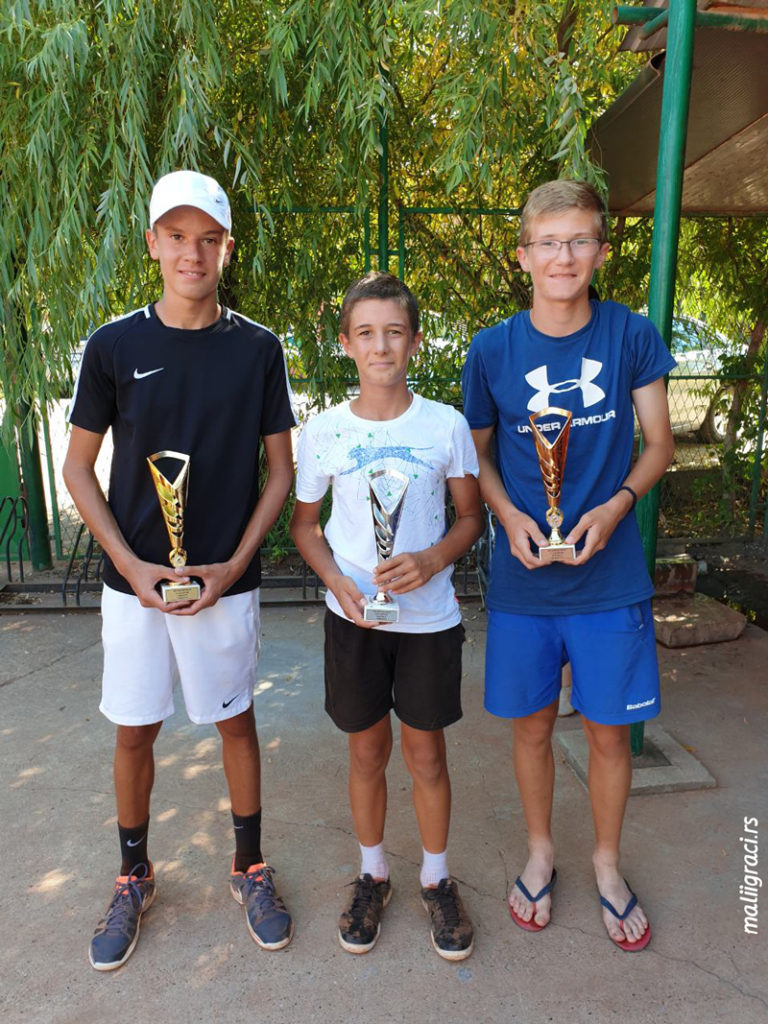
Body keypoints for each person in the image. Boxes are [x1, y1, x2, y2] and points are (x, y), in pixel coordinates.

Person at [63, 170, 297, 970]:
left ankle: (250, 865)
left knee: (235, 720)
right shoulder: (114, 345)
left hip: (224, 583)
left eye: (208, 238)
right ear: (152, 242)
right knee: (135, 728)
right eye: (176, 235)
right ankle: (133, 876)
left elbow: (283, 475)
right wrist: (127, 564)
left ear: (227, 248)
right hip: (135, 585)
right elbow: (78, 469)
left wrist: (233, 566)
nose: (191, 251)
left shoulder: (260, 350)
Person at [461, 180, 676, 952]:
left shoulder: (630, 336)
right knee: (532, 727)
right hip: (525, 578)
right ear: (523, 256)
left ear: (600, 252)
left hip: (609, 580)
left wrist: (616, 506)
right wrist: (511, 517)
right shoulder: (491, 349)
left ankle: (608, 865)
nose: (563, 256)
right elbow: (478, 460)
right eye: (548, 242)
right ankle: (541, 851)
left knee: (611, 736)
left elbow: (659, 444)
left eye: (579, 240)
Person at [290, 272, 483, 960]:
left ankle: (435, 877)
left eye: (394, 333)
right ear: (346, 344)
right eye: (366, 333)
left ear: (415, 342)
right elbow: (304, 526)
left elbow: (470, 517)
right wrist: (338, 582)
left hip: (427, 621)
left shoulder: (445, 426)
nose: (381, 347)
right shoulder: (324, 432)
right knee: (366, 750)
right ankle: (374, 872)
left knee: (426, 754)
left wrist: (431, 561)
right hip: (355, 621)